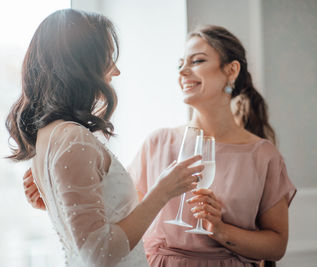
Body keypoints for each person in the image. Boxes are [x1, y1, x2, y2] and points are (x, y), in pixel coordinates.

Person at [7, 9, 203, 267]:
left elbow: (86, 228)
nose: (117, 71)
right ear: (82, 64)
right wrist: (162, 192)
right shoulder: (73, 140)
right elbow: (99, 253)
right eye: (108, 58)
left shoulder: (49, 135)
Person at [128, 25, 297, 266]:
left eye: (196, 61)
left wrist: (219, 229)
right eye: (180, 64)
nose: (183, 71)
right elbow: (126, 225)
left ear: (231, 70)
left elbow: (276, 246)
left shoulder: (263, 155)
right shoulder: (157, 144)